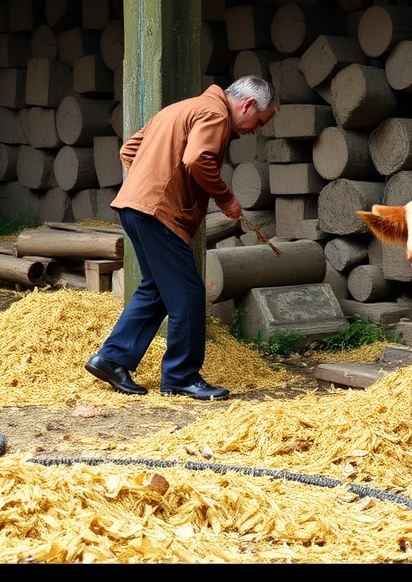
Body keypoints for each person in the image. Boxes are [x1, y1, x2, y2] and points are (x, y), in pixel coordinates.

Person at [84, 76, 278, 400]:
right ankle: (180, 376)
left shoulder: (180, 109)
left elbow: (129, 149)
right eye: (258, 122)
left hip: (134, 207)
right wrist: (225, 198)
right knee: (188, 292)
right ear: (247, 105)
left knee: (157, 290)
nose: (253, 130)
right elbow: (196, 159)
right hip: (157, 213)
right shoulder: (215, 114)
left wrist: (149, 181)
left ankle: (112, 359)